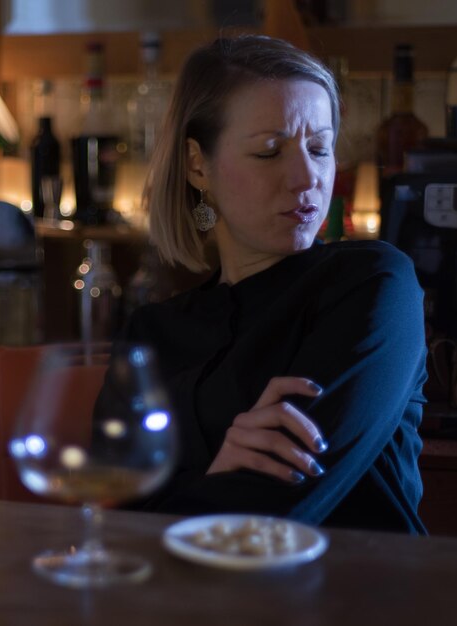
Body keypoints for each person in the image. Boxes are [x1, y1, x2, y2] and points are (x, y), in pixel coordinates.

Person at [95, 35, 427, 533]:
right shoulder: (151, 334)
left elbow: (279, 505)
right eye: (270, 152)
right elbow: (110, 522)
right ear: (197, 164)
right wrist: (221, 474)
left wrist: (192, 490)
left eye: (320, 148)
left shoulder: (375, 284)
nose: (306, 177)